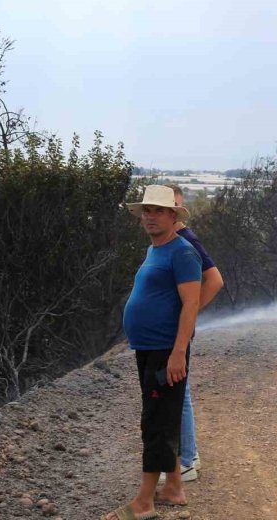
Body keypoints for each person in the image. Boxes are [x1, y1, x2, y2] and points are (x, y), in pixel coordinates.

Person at [103, 185, 202, 520]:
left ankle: (144, 503)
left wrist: (178, 352)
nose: (150, 216)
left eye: (159, 211)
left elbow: (191, 304)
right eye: (147, 210)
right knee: (164, 417)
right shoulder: (155, 249)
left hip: (165, 351)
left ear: (173, 216)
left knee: (155, 422)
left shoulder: (183, 252)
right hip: (149, 348)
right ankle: (173, 487)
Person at [168, 185, 224, 482]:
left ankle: (187, 461)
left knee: (180, 394)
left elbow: (214, 280)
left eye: (174, 206)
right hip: (169, 329)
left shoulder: (186, 239)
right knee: (179, 392)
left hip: (176, 331)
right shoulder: (170, 239)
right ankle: (189, 455)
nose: (171, 213)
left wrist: (190, 312)